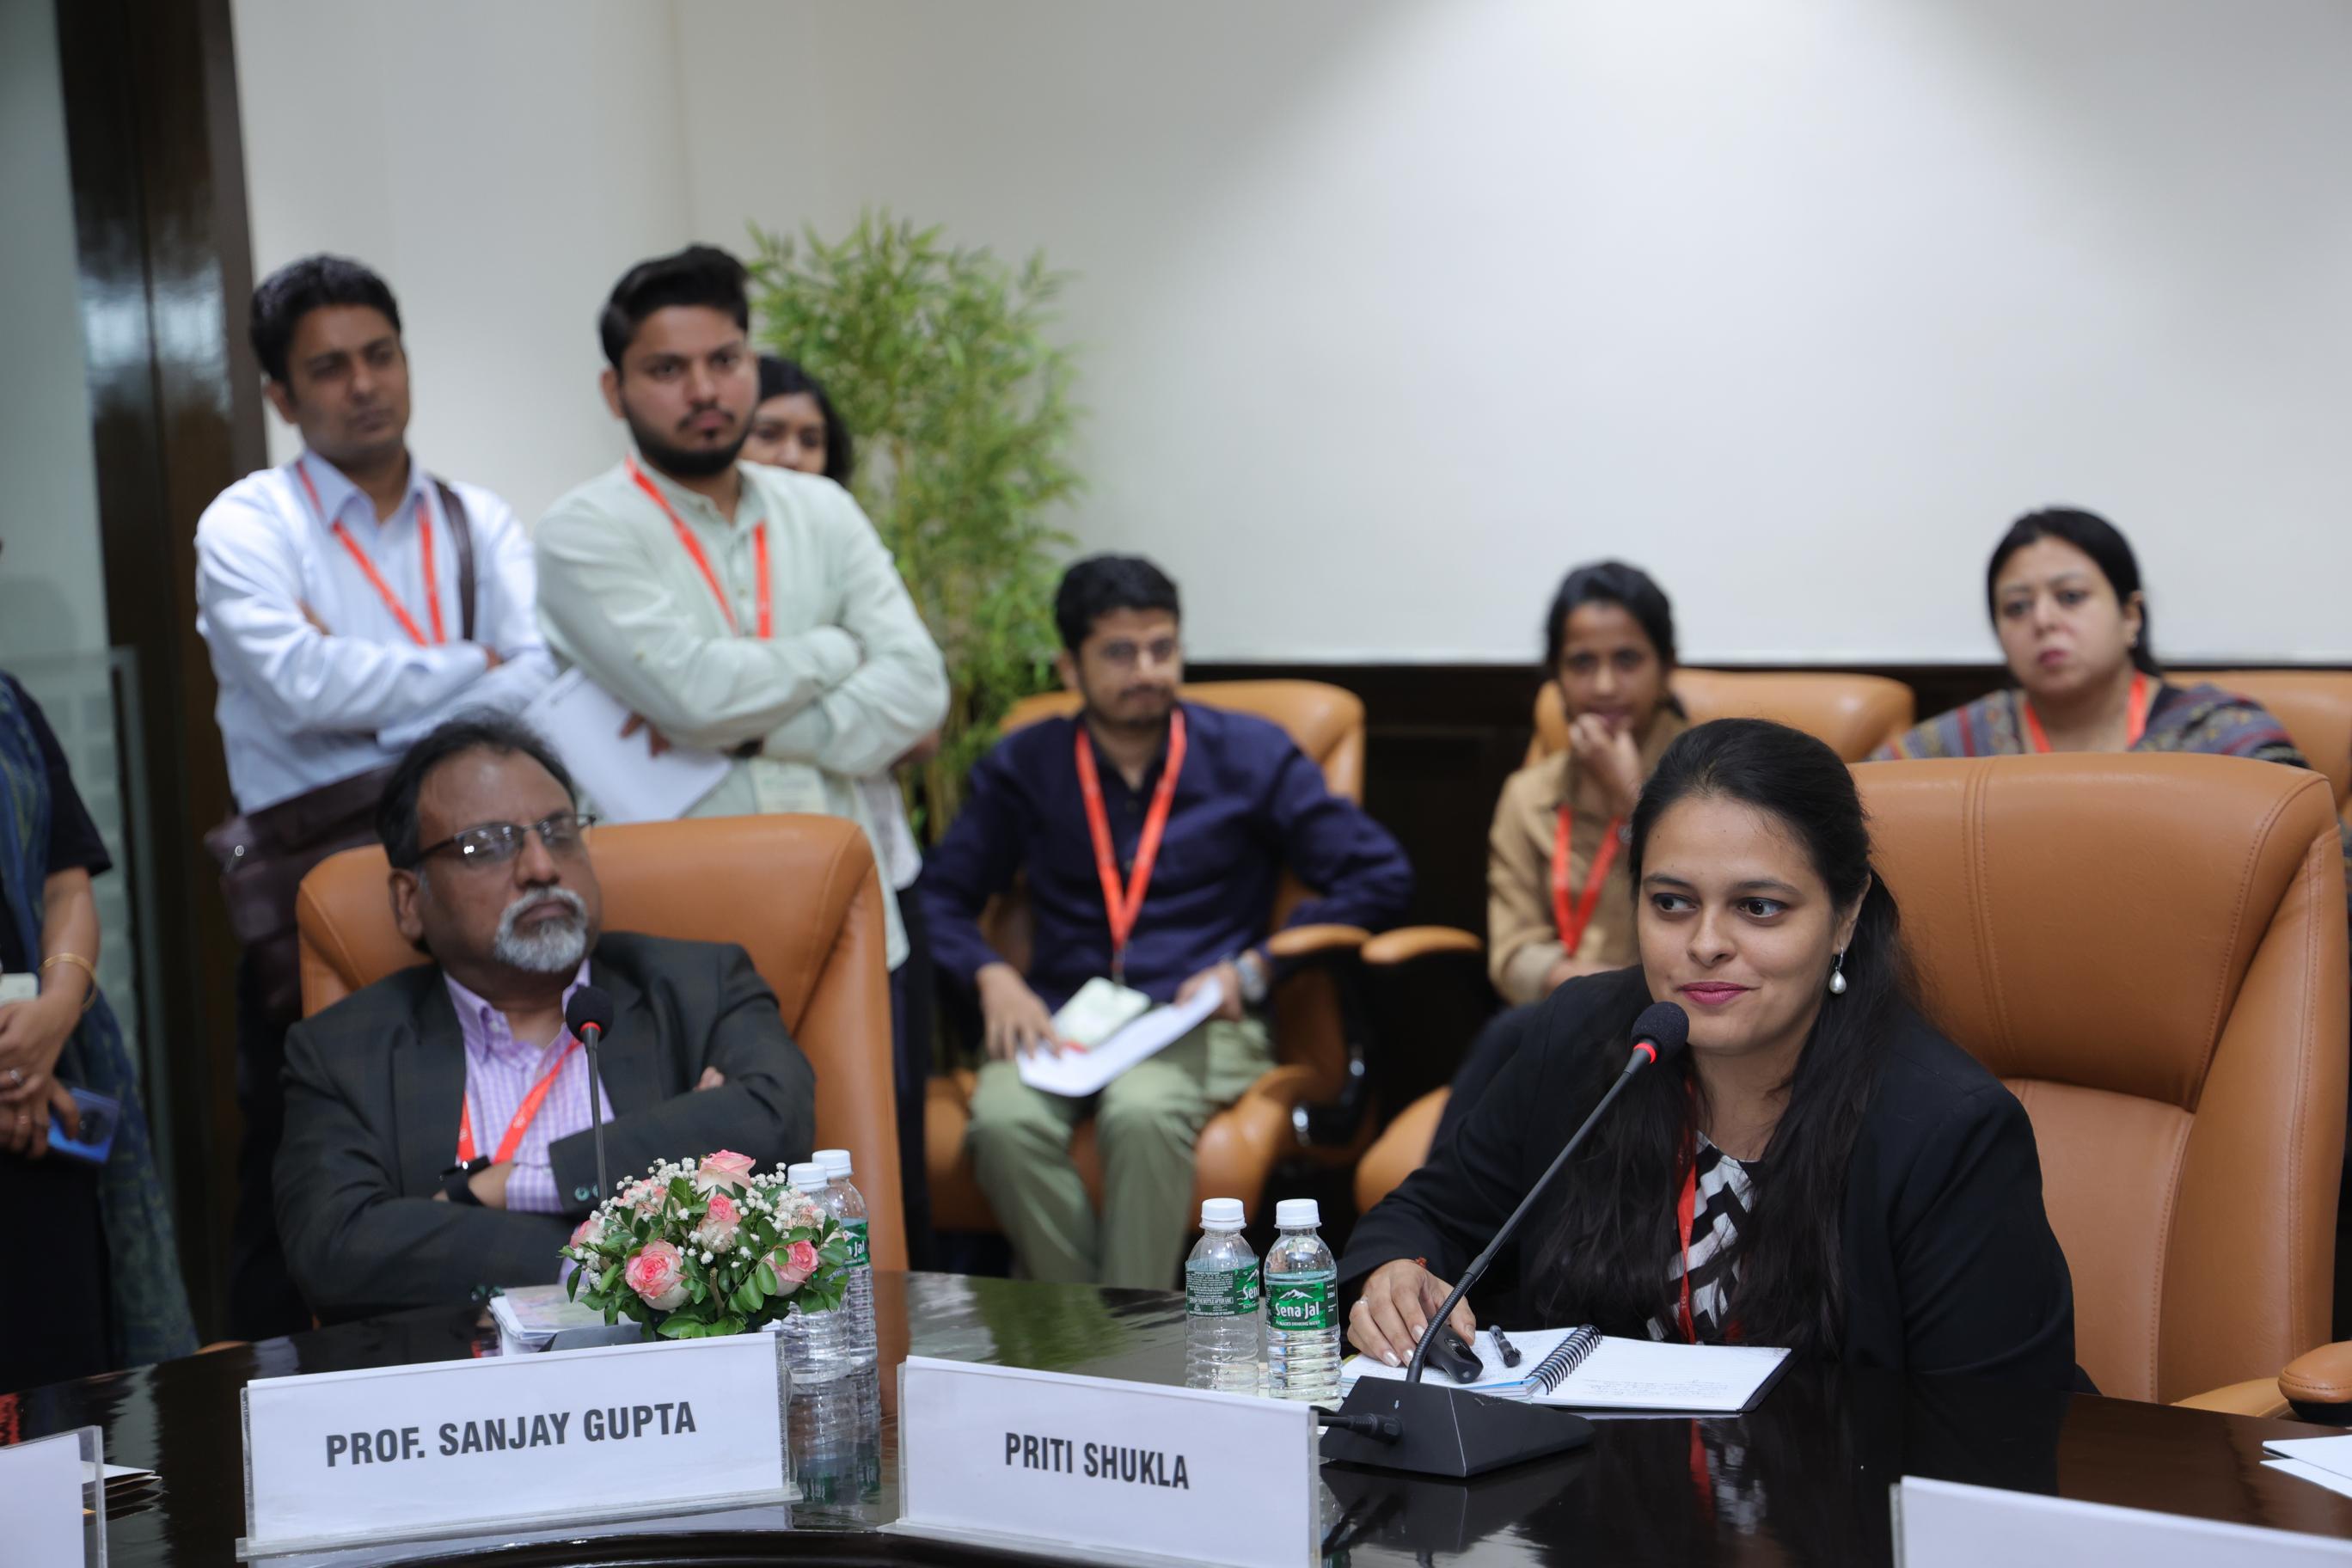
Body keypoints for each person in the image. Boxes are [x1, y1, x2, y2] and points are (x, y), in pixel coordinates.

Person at [1344, 719, 2080, 1392]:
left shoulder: (1949, 1132)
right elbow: (1423, 1217)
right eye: (1672, 902)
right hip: (1592, 1489)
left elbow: (1993, 1431)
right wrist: (1398, 1276)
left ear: (1846, 916)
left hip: (1842, 1497)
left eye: (1758, 907)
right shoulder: (1584, 1038)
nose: (1705, 944)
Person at [195, 254, 555, 1338]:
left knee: (480, 1126)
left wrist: (375, 688)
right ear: (280, 394)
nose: (364, 384)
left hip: (483, 878)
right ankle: (278, 1389)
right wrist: (471, 667)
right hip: (328, 882)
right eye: (329, 367)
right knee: (308, 1165)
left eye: (381, 355)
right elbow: (299, 686)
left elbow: (536, 677)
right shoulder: (251, 525)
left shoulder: (477, 519)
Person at [922, 554, 1414, 1289]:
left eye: (1162, 648)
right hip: (1064, 1019)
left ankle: (1122, 1338)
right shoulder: (1027, 764)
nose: (1147, 671)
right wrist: (991, 975)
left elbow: (1380, 873)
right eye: (1120, 653)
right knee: (1001, 1122)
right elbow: (939, 896)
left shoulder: (1248, 755)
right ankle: (1097, 1336)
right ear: (1070, 667)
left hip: (1199, 1017)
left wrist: (1257, 966)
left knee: (1142, 1111)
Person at [274, 715, 818, 1322]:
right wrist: (604, 1252)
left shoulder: (697, 986)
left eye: (559, 832)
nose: (540, 866)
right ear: (409, 901)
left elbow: (774, 1118)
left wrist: (509, 1185)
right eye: (488, 843)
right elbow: (336, 1246)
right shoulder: (343, 1051)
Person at [534, 248, 947, 981]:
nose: (704, 390)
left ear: (752, 364)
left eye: (724, 361)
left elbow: (919, 691)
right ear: (614, 390)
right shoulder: (582, 530)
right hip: (677, 936)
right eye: (667, 369)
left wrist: (752, 735)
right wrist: (837, 649)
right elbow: (694, 696)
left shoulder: (822, 508)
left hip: (845, 909)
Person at [1871, 505, 2352, 938]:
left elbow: (2327, 872)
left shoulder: (2220, 733)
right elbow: (1857, 828)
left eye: (2071, 596)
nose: (2043, 620)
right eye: (2016, 607)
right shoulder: (1958, 743)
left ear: (2130, 616)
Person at [742, 352, 940, 1265]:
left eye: (811, 438)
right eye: (770, 433)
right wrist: (837, 682)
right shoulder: (702, 576)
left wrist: (750, 722)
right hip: (751, 884)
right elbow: (682, 704)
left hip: (879, 874)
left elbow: (918, 722)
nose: (792, 454)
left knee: (886, 1125)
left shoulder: (847, 553)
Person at [1434, 562, 1692, 1148]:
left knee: (1515, 1038)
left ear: (1666, 667)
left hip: (1679, 1019)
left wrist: (1633, 801)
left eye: (1627, 660)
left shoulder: (1711, 777)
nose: (1603, 685)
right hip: (1560, 1020)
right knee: (1525, 1037)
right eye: (1581, 663)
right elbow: (1513, 954)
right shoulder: (1529, 795)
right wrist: (1584, 992)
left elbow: (1697, 908)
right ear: (1555, 676)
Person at [0, 672, 195, 1388]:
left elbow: (66, 885)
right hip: (27, 1086)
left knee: (68, 1388)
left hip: (45, 1095)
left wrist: (55, 1012)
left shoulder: (9, 707)